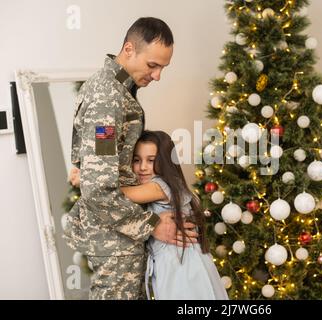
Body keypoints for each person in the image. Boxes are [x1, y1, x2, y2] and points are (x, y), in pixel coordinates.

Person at [64, 17, 198, 300]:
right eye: (153, 65)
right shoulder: (108, 99)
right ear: (129, 49)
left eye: (163, 67)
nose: (158, 75)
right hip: (115, 241)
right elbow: (99, 188)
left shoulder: (117, 91)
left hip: (119, 236)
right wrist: (152, 225)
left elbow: (100, 168)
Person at [121, 130, 229, 300]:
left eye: (151, 160)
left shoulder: (160, 186)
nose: (142, 167)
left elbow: (119, 195)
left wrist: (89, 180)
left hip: (182, 267)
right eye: (136, 160)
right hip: (175, 264)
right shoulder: (160, 187)